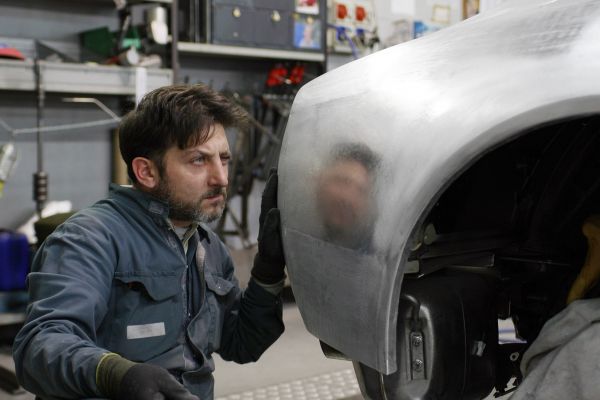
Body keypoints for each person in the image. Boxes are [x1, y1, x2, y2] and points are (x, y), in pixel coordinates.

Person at [12, 84, 287, 400]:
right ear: (146, 171)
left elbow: (242, 344)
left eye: (223, 159)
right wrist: (117, 375)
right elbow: (39, 347)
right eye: (199, 160)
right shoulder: (89, 240)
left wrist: (268, 270)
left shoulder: (208, 247)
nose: (221, 178)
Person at [315, 142, 380, 251]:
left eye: (361, 191)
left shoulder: (376, 262)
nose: (347, 198)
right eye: (341, 181)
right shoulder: (291, 227)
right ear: (320, 181)